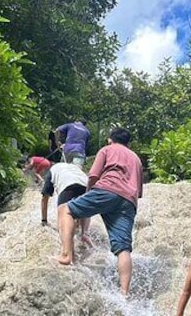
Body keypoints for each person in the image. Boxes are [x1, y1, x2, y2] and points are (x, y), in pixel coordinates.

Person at [55, 127, 143, 296]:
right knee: (123, 247)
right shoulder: (136, 159)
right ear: (128, 142)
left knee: (67, 209)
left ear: (110, 139)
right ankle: (124, 292)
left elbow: (94, 175)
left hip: (107, 190)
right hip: (129, 201)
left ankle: (66, 255)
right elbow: (138, 190)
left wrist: (89, 194)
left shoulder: (107, 150)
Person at [40, 159, 93, 246]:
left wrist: (44, 220)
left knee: (65, 228)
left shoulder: (53, 169)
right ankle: (84, 234)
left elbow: (45, 198)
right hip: (86, 186)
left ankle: (68, 253)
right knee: (82, 213)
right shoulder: (75, 168)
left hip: (68, 186)